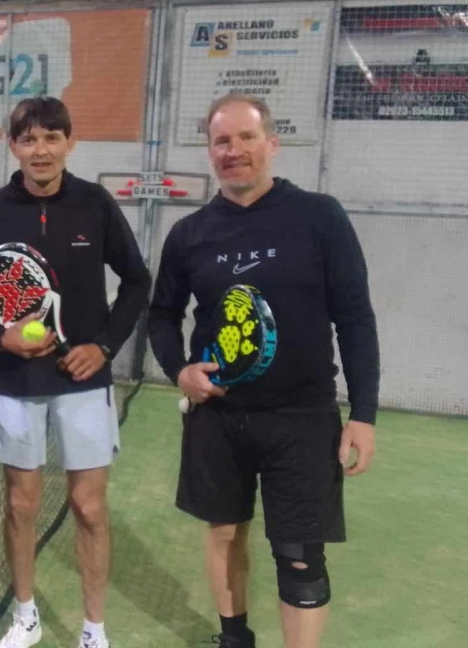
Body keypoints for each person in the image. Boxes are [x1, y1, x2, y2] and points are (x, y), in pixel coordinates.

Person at [147, 94, 380, 648]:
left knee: (300, 555)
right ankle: (234, 639)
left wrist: (364, 414)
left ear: (271, 144)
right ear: (210, 152)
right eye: (221, 141)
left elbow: (354, 316)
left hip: (302, 417)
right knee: (225, 531)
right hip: (218, 418)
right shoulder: (189, 234)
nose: (234, 151)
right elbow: (160, 314)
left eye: (246, 138)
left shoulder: (319, 217)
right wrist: (180, 371)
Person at [0, 96, 151, 648]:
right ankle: (26, 617)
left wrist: (104, 346)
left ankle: (94, 629)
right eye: (28, 138)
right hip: (18, 383)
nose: (40, 149)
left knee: (88, 507)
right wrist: (0, 336)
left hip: (84, 382)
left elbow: (136, 281)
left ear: (70, 142)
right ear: (13, 146)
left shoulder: (94, 204)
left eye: (51, 137)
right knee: (21, 504)